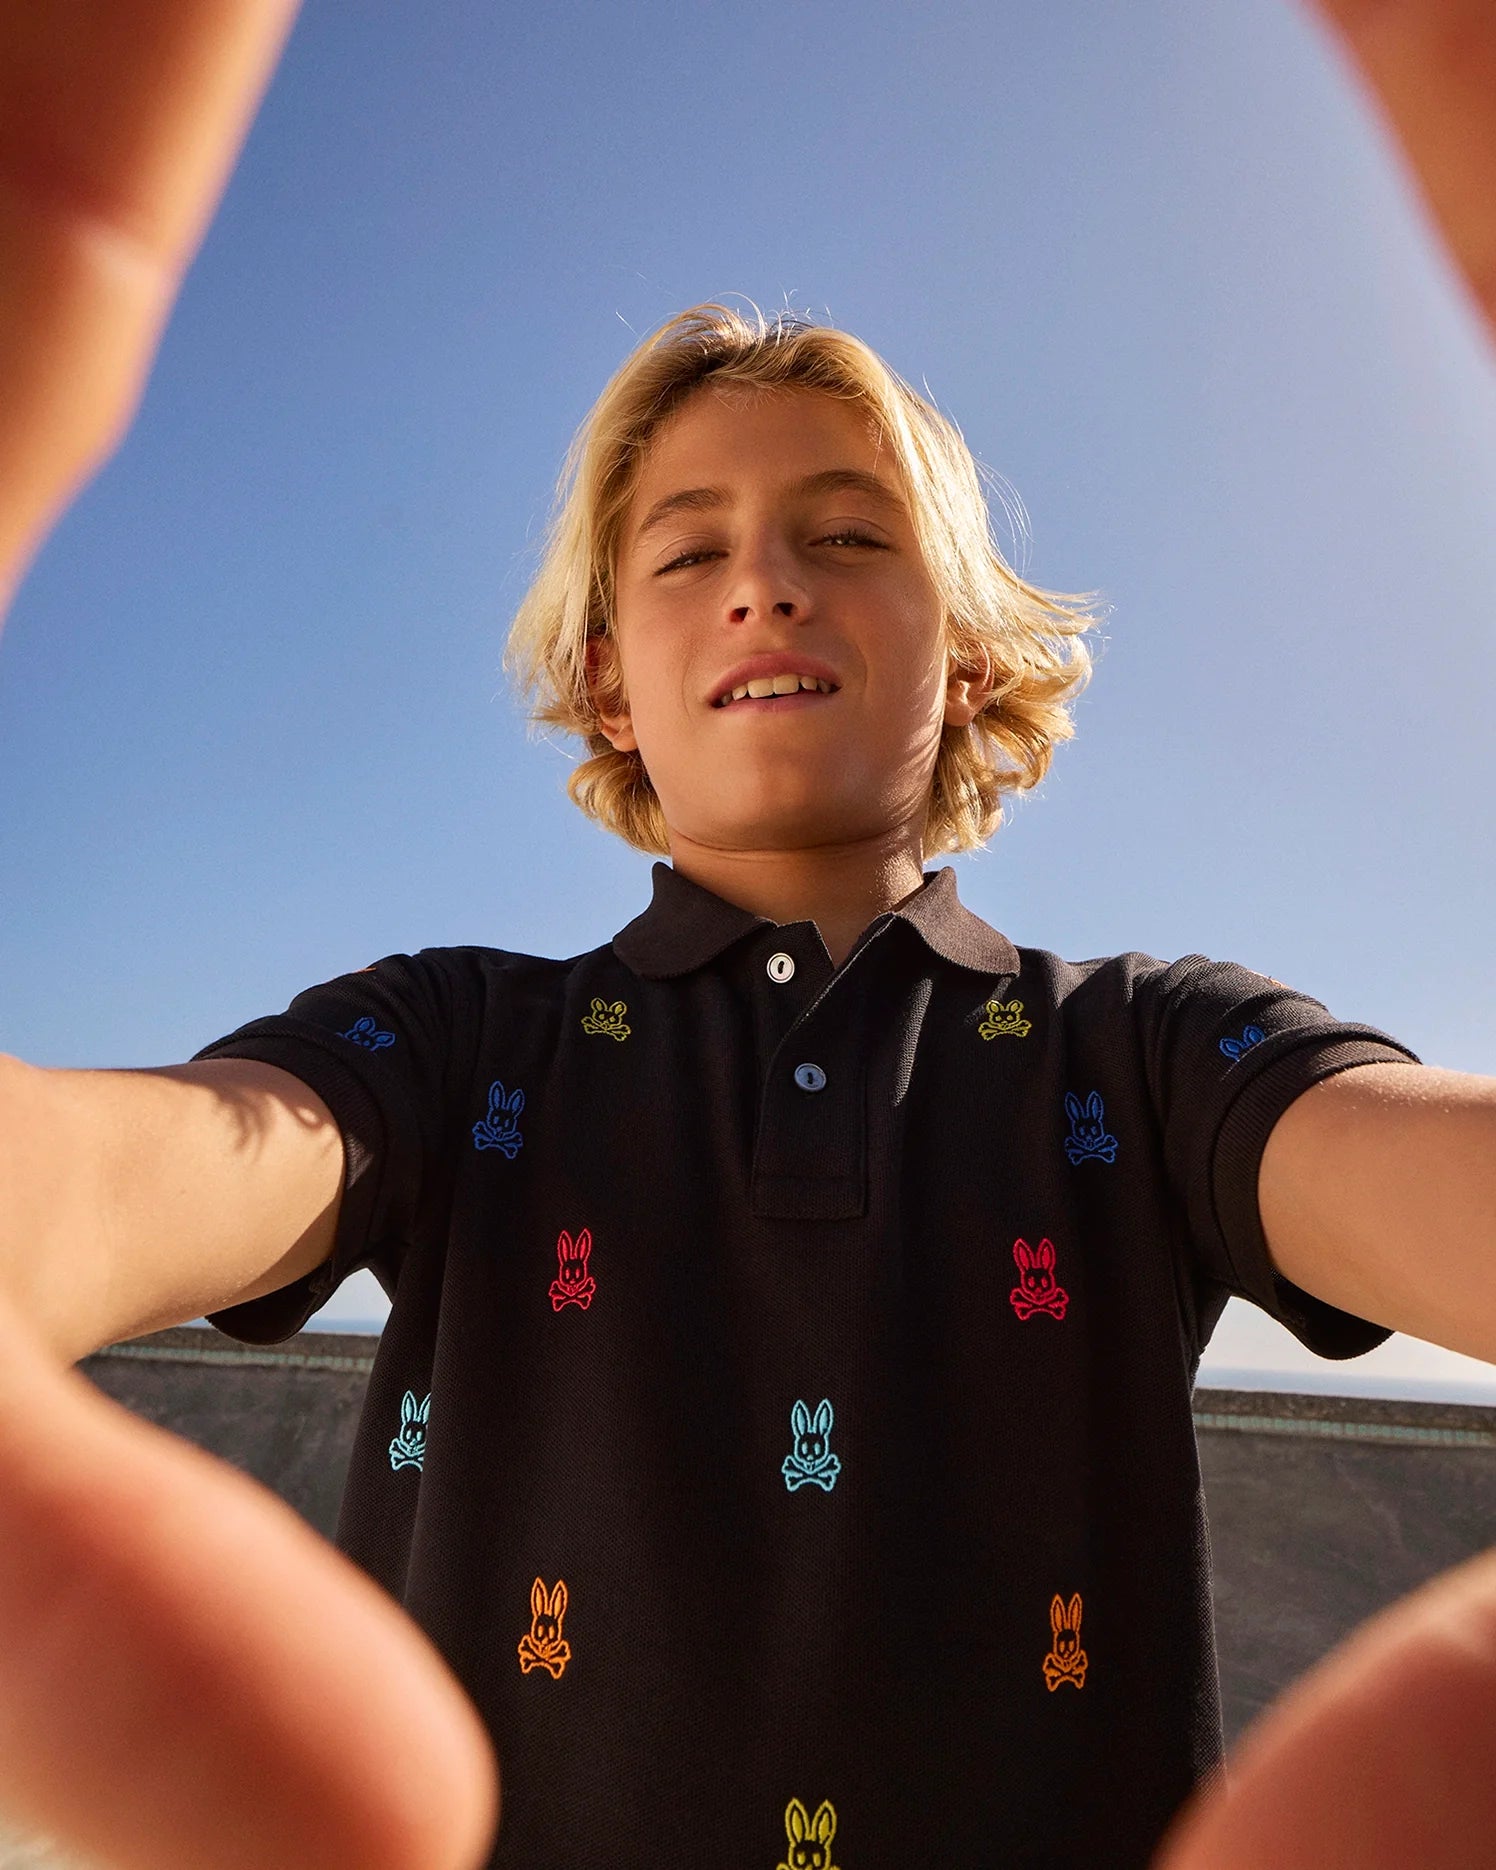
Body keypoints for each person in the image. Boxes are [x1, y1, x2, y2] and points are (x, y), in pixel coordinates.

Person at [0, 5, 1492, 1869]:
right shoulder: (459, 1041)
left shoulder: (1148, 1050)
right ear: (609, 681)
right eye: (686, 548)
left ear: (961, 659)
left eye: (848, 531)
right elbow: (145, 1173)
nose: (765, 575)